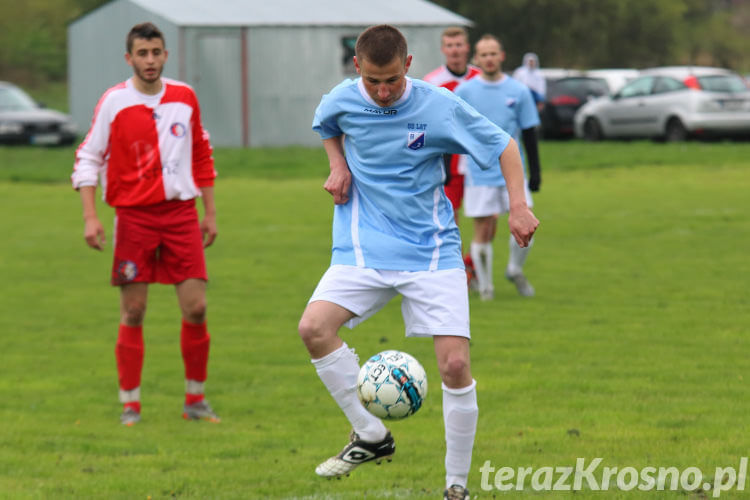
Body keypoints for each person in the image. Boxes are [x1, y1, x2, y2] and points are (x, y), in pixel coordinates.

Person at [298, 25, 538, 500]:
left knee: (453, 364)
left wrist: (518, 205)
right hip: (363, 247)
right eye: (372, 82)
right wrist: (337, 165)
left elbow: (505, 146)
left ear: (407, 65)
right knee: (313, 329)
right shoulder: (344, 98)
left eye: (390, 80)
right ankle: (370, 434)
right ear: (357, 70)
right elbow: (327, 125)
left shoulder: (437, 105)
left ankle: (456, 487)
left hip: (431, 251)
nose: (383, 92)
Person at [71, 22, 220, 426]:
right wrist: (90, 217)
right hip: (134, 218)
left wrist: (209, 212)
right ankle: (131, 405)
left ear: (165, 55)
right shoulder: (114, 103)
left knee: (196, 306)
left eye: (156, 52)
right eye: (142, 54)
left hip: (180, 216)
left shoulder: (185, 97)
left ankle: (195, 400)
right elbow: (87, 158)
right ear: (129, 58)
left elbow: (201, 155)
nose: (150, 60)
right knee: (134, 310)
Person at [456, 35, 542, 299]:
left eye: (493, 53)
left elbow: (528, 133)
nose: (489, 59)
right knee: (482, 229)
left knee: (526, 223)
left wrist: (536, 172)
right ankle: (485, 288)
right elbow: (455, 133)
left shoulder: (519, 91)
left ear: (502, 56)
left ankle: (514, 269)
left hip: (513, 174)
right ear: (476, 59)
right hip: (479, 173)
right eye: (484, 55)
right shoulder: (465, 92)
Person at [423, 27, 481, 223]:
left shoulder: (480, 78)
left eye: (458, 45)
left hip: (477, 155)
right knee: (449, 214)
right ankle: (456, 254)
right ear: (443, 49)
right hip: (448, 158)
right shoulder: (432, 82)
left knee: (486, 216)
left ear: (467, 48)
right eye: (449, 45)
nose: (454, 50)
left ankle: (475, 255)